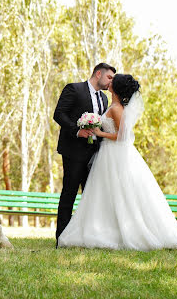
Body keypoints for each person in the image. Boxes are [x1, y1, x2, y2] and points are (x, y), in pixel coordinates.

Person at [57, 74, 177, 251]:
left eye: (113, 80)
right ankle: (104, 228)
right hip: (107, 153)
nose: (109, 82)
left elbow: (122, 136)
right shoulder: (112, 105)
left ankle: (120, 231)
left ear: (116, 88)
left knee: (120, 193)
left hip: (114, 153)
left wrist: (100, 133)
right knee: (106, 194)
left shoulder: (117, 108)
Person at [53, 63, 116, 247]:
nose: (111, 82)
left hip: (96, 155)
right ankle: (62, 238)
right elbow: (59, 114)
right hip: (74, 152)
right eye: (109, 77)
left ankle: (88, 237)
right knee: (69, 194)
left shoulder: (104, 99)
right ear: (98, 74)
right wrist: (77, 131)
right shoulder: (74, 89)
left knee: (92, 197)